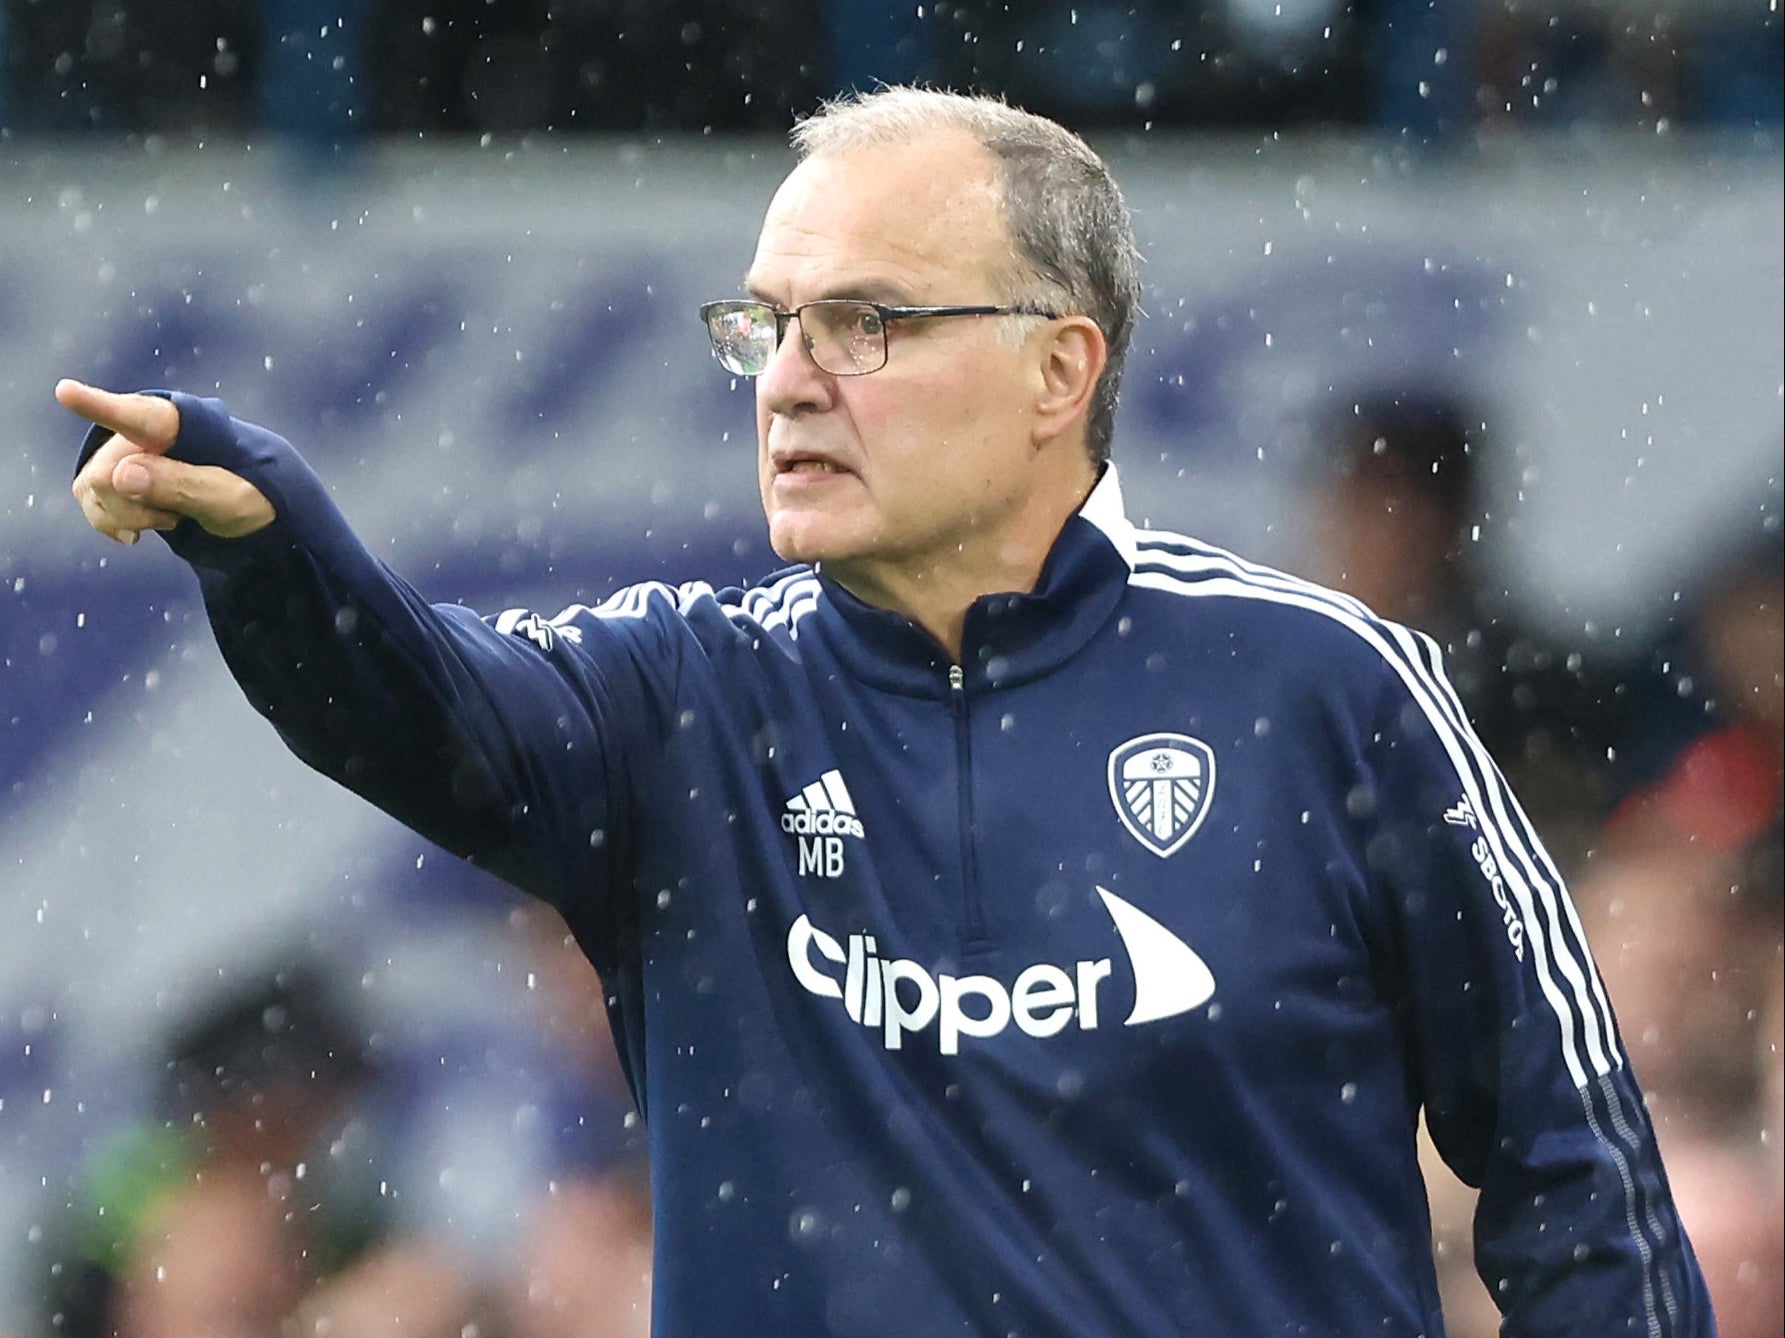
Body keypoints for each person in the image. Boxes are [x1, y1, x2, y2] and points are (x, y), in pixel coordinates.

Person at [60, 86, 1713, 1336]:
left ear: (1059, 370)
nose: (788, 374)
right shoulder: (682, 694)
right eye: (769, 325)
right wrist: (266, 541)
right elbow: (406, 706)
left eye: (866, 320)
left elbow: (1580, 1176)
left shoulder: (1335, 690)